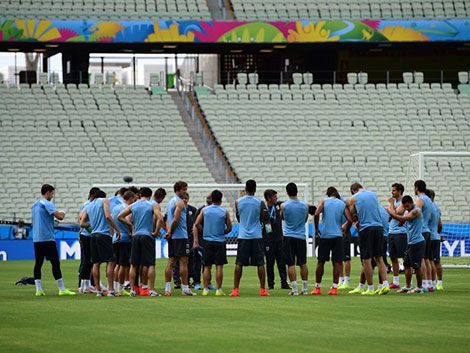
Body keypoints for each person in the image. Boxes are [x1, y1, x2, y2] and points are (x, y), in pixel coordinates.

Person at [118, 187, 163, 297]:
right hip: (147, 235)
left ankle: (133, 290)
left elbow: (120, 216)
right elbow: (160, 219)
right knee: (150, 264)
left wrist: (131, 225)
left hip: (136, 236)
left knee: (133, 265)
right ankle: (151, 290)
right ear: (150, 195)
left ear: (139, 194)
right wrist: (156, 231)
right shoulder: (152, 205)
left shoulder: (134, 205)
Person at [32, 184, 75, 296]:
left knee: (38, 263)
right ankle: (61, 289)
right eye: (52, 193)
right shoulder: (47, 203)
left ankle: (39, 290)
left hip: (36, 238)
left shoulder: (34, 205)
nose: (52, 195)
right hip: (47, 238)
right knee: (55, 263)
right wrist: (62, 213)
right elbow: (60, 216)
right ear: (47, 192)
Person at [346, 183, 389, 295]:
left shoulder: (353, 198)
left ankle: (370, 288)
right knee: (379, 258)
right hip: (379, 227)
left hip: (366, 228)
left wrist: (355, 221)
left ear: (353, 190)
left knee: (367, 260)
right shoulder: (373, 194)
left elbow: (351, 211)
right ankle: (385, 284)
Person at [230, 179, 269, 297]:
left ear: (245, 189)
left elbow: (238, 216)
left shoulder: (238, 202)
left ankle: (236, 290)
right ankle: (262, 290)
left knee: (239, 263)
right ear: (255, 189)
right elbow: (262, 218)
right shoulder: (260, 202)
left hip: (243, 235)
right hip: (256, 235)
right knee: (260, 263)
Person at [80, 189, 120, 296]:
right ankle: (111, 290)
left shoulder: (89, 205)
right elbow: (107, 216)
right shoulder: (104, 200)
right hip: (104, 235)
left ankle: (98, 290)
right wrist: (116, 229)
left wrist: (93, 224)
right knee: (111, 261)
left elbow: (82, 223)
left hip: (93, 236)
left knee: (96, 263)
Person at [313, 187, 351, 295]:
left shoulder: (324, 201)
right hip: (337, 236)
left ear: (328, 194)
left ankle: (317, 287)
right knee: (337, 262)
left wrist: (316, 229)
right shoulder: (342, 204)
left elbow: (316, 214)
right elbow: (350, 219)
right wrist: (345, 230)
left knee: (321, 262)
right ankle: (334, 287)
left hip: (325, 235)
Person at [193, 189, 232, 296]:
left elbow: (196, 223)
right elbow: (229, 228)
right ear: (221, 199)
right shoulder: (224, 211)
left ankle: (205, 289)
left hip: (207, 241)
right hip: (220, 241)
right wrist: (222, 232)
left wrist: (204, 230)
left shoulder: (205, 210)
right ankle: (218, 290)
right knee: (219, 266)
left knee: (207, 266)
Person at [388, 195, 426, 294]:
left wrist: (391, 212)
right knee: (406, 264)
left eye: (407, 206)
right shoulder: (408, 211)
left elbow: (404, 218)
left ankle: (419, 288)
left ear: (411, 202)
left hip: (417, 242)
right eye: (404, 206)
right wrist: (399, 217)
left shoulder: (416, 211)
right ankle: (408, 286)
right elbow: (401, 222)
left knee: (416, 266)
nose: (406, 208)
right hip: (410, 243)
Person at [164, 181, 196, 296]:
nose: (185, 191)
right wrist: (170, 232)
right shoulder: (180, 202)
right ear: (178, 189)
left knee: (171, 261)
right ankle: (185, 288)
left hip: (173, 237)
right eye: (184, 189)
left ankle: (167, 288)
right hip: (181, 236)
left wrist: (168, 232)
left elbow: (168, 219)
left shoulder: (170, 202)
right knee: (183, 262)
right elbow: (176, 220)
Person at [281, 182, 309, 296]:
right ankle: (305, 289)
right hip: (301, 236)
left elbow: (282, 217)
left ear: (287, 192)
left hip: (288, 236)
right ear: (297, 191)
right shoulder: (305, 205)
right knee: (302, 263)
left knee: (290, 263)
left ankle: (295, 290)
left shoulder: (284, 205)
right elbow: (306, 219)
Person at [111, 190, 136, 296]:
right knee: (123, 265)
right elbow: (125, 219)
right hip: (125, 238)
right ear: (130, 198)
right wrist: (131, 226)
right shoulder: (126, 209)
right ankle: (120, 288)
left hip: (115, 238)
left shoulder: (115, 208)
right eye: (134, 199)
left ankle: (116, 287)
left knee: (117, 264)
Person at [263, 189, 288, 290]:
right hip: (269, 240)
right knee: (270, 263)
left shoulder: (278, 205)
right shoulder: (264, 208)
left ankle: (284, 283)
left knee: (281, 262)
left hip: (279, 239)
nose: (276, 198)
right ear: (269, 198)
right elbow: (266, 225)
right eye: (274, 196)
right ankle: (271, 284)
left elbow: (288, 203)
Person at [78, 187, 100, 293]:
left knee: (88, 261)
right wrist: (92, 228)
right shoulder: (89, 204)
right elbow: (82, 219)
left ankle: (84, 285)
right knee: (88, 261)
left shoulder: (88, 204)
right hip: (87, 236)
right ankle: (84, 285)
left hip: (85, 235)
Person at [414, 180, 433, 292]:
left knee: (421, 259)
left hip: (421, 231)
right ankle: (429, 283)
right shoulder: (429, 200)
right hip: (428, 230)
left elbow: (415, 213)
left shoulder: (420, 200)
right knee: (426, 259)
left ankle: (424, 284)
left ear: (416, 188)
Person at [387, 183, 408, 289]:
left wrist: (390, 205)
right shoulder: (394, 202)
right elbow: (390, 217)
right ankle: (396, 282)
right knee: (393, 257)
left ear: (400, 191)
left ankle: (409, 282)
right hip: (391, 232)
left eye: (394, 190)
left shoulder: (403, 201)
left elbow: (396, 213)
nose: (392, 192)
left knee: (405, 258)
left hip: (401, 233)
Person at [426, 189, 444, 290]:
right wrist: (437, 233)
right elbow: (440, 224)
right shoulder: (437, 208)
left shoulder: (428, 208)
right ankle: (439, 283)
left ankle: (431, 283)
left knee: (429, 260)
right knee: (437, 261)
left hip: (429, 237)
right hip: (436, 236)